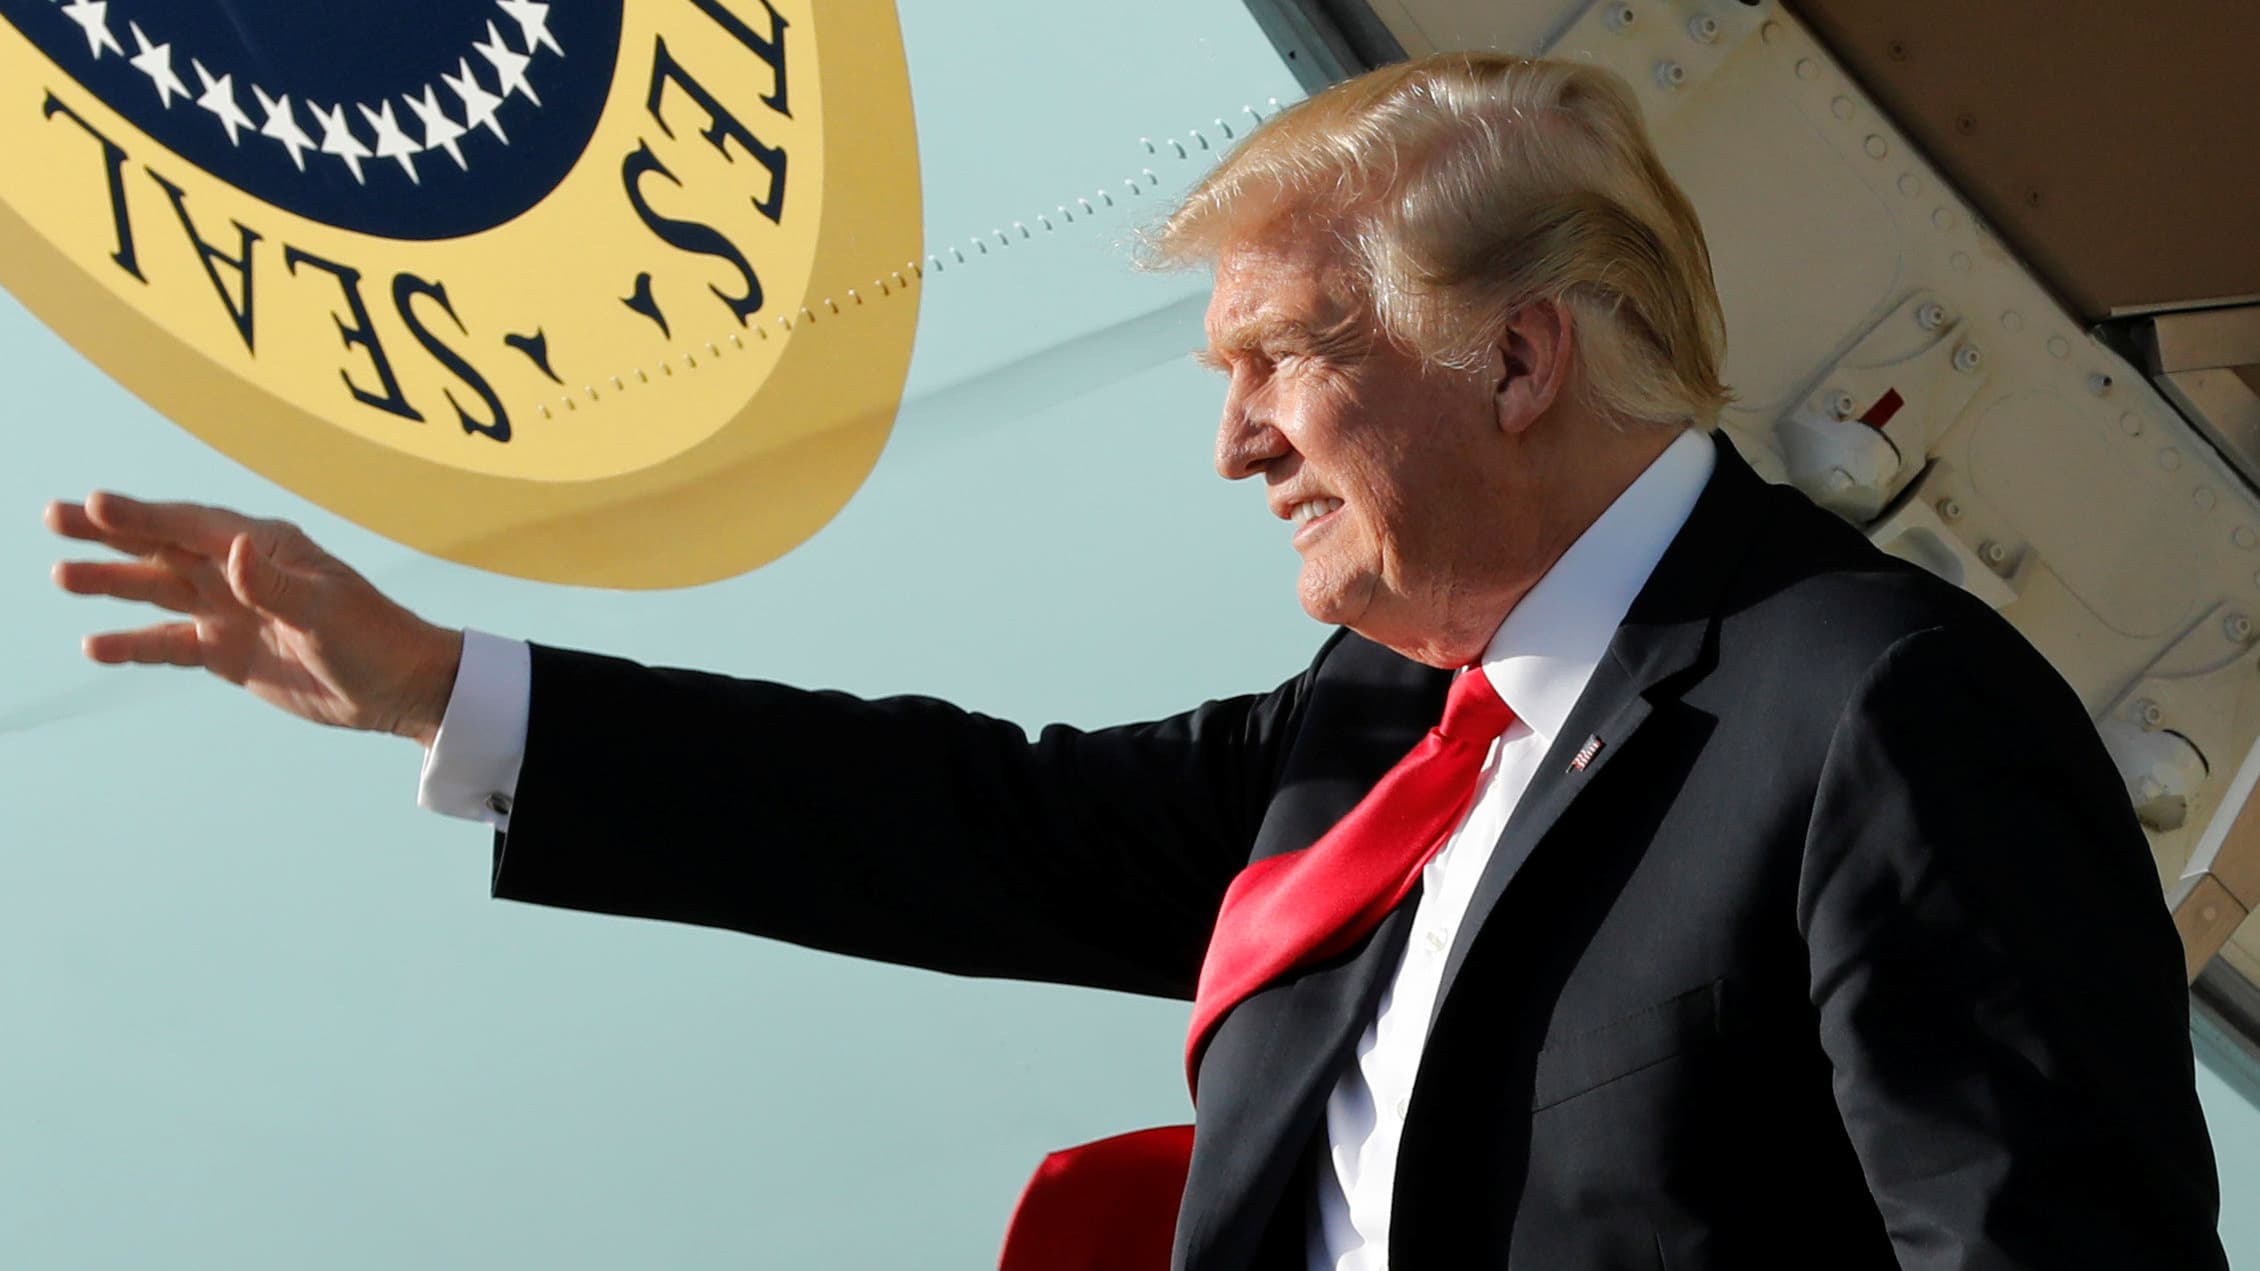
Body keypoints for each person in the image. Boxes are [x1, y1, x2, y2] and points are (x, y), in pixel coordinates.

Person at [45, 52, 2225, 1271]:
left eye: (1282, 363)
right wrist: (447, 686)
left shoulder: (1868, 717)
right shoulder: (1385, 735)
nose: (1230, 442)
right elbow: (965, 827)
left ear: (1516, 361)